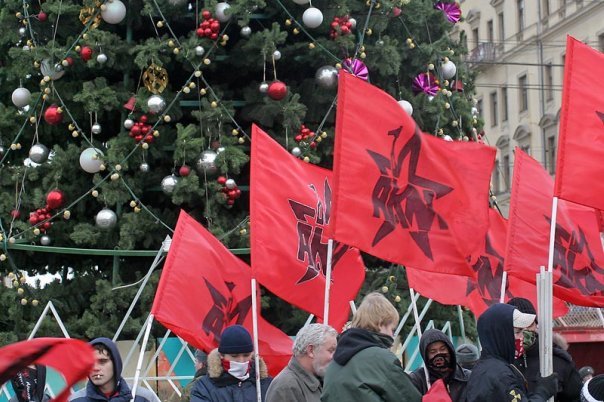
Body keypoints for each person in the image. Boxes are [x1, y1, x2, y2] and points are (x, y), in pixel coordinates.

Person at [321, 292, 421, 402]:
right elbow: (409, 398)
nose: (393, 335)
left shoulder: (334, 362)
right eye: (392, 329)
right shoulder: (380, 358)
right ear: (380, 324)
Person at [464, 303, 558, 402]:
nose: (522, 336)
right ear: (501, 335)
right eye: (518, 332)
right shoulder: (500, 375)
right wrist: (542, 392)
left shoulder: (487, 367)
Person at [508, 297, 582, 402]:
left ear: (536, 325)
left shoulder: (557, 361)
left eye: (528, 324)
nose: (524, 332)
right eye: (517, 327)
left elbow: (575, 397)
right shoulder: (499, 362)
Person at [190, 325, 272, 402]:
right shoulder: (204, 388)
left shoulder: (267, 384)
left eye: (246, 355)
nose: (241, 361)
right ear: (222, 355)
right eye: (234, 356)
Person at [69, 337, 160, 402]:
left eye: (102, 361)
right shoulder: (76, 399)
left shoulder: (142, 397)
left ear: (115, 364)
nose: (95, 368)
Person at [266, 323, 337, 402]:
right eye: (331, 350)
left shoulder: (321, 380)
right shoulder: (285, 387)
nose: (335, 356)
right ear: (311, 350)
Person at [408, 329, 470, 401]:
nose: (439, 354)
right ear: (426, 356)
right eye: (433, 351)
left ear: (449, 350)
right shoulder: (417, 380)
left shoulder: (467, 378)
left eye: (443, 349)